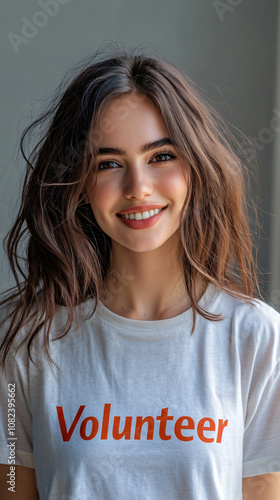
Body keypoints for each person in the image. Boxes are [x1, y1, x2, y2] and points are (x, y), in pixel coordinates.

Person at [0, 44, 280, 500]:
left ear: (195, 168)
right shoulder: (26, 340)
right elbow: (11, 485)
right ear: (79, 186)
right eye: (108, 164)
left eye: (161, 156)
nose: (138, 188)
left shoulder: (256, 339)